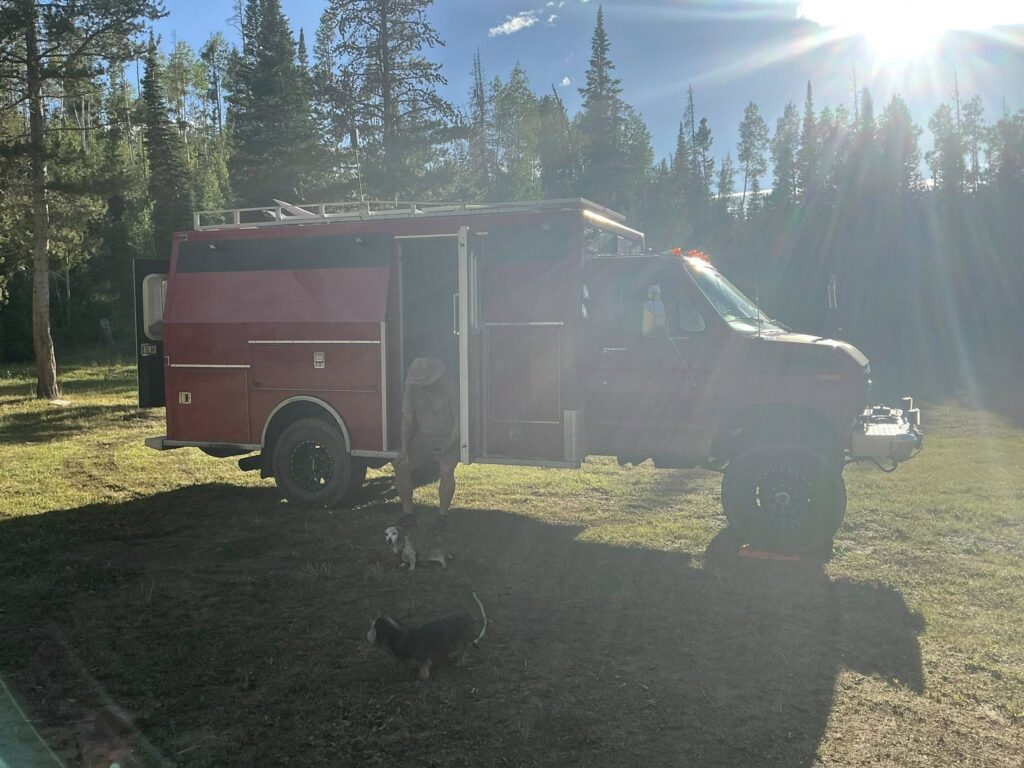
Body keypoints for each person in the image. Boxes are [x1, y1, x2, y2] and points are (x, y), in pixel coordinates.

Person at [394, 357, 460, 527]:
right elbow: (407, 419)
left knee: (446, 470)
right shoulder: (411, 389)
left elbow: (459, 422)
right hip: (424, 436)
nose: (423, 385)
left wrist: (449, 447)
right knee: (401, 465)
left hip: (448, 436)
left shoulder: (451, 388)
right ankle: (408, 513)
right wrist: (404, 449)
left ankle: (442, 516)